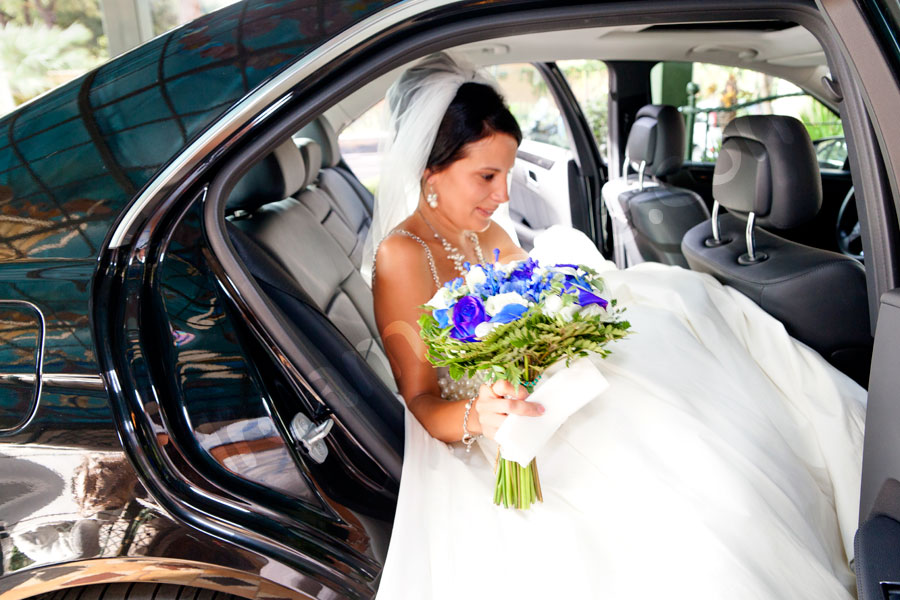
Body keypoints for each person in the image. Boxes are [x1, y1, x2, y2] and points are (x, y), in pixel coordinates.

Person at [369, 53, 865, 599]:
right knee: (682, 503)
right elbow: (419, 398)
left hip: (553, 387)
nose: (503, 195)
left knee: (699, 425)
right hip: (497, 425)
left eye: (507, 175)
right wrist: (480, 414)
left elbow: (527, 297)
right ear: (429, 169)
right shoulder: (402, 256)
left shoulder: (479, 225)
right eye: (486, 176)